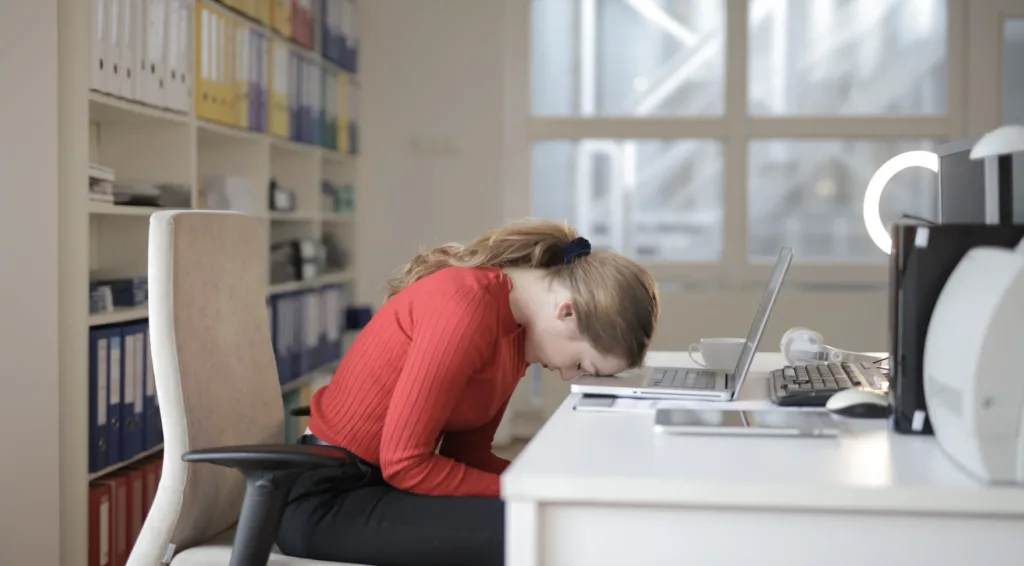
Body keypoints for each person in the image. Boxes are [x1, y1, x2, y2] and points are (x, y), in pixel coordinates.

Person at [276, 219, 660, 566]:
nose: (567, 376)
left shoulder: (516, 335)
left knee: (552, 520)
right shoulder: (467, 306)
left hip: (379, 487)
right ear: (567, 312)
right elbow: (406, 463)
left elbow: (467, 455)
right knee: (540, 532)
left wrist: (547, 486)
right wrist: (529, 489)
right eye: (581, 364)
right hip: (328, 498)